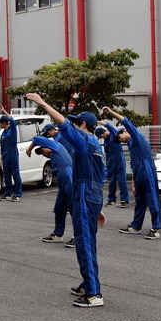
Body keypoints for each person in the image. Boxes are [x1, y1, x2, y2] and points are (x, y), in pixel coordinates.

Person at [26, 93, 107, 308]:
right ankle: (89, 283)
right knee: (89, 241)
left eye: (76, 122)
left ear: (83, 124)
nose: (73, 124)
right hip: (93, 194)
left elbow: (62, 124)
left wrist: (43, 103)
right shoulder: (97, 146)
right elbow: (100, 177)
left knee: (84, 242)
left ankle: (94, 293)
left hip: (84, 193)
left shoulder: (85, 141)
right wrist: (97, 207)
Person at [102, 107, 161, 239]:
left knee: (152, 199)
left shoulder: (137, 136)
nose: (120, 140)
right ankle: (135, 226)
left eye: (120, 137)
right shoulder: (130, 144)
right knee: (139, 201)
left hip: (147, 171)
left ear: (125, 131)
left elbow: (126, 121)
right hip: (138, 173)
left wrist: (110, 113)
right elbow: (134, 167)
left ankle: (156, 228)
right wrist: (134, 184)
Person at [26, 136, 74, 246]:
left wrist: (29, 150)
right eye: (42, 154)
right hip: (62, 181)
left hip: (68, 177)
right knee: (59, 208)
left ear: (47, 147)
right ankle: (58, 234)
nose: (44, 154)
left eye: (43, 151)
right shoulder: (53, 156)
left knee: (74, 208)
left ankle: (78, 237)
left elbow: (36, 139)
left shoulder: (55, 146)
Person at [95, 122, 130, 208]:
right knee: (111, 181)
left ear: (104, 132)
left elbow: (108, 125)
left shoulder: (114, 135)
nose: (102, 137)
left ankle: (124, 200)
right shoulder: (106, 141)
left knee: (122, 180)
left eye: (102, 135)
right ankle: (111, 200)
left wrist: (99, 122)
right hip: (110, 162)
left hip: (119, 161)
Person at [0, 105, 22, 202]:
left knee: (15, 174)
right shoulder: (3, 133)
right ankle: (8, 193)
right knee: (6, 175)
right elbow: (2, 148)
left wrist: (4, 111)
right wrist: (1, 159)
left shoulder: (13, 130)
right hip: (6, 156)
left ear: (4, 123)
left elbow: (11, 119)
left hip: (13, 155)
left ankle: (17, 193)